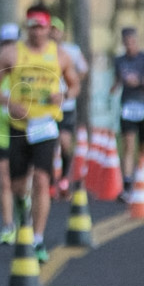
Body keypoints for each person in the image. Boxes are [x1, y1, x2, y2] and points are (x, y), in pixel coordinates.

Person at [0, 4, 81, 264]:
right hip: (18, 127)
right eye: (32, 26)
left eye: (41, 27)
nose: (36, 32)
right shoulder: (11, 54)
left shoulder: (60, 55)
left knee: (41, 180)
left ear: (49, 28)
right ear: (26, 27)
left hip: (45, 126)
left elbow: (74, 85)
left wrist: (63, 95)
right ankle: (21, 210)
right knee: (17, 185)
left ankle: (37, 238)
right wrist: (8, 103)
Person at [110, 26, 144, 200]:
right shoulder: (119, 61)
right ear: (122, 42)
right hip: (127, 106)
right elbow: (117, 80)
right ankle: (128, 184)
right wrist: (114, 87)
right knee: (128, 145)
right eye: (126, 42)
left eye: (132, 41)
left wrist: (140, 81)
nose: (129, 45)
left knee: (143, 146)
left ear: (136, 41)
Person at [0, 23, 21, 245]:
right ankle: (9, 225)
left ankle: (23, 216)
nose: (8, 48)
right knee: (4, 182)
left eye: (12, 43)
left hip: (23, 133)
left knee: (20, 185)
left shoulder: (25, 69)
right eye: (4, 43)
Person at [49, 17, 90, 198]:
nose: (53, 33)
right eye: (50, 29)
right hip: (46, 107)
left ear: (62, 32)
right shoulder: (40, 52)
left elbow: (84, 69)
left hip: (66, 105)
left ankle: (64, 178)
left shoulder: (72, 51)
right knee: (49, 146)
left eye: (56, 30)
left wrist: (72, 83)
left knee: (65, 144)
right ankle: (50, 182)